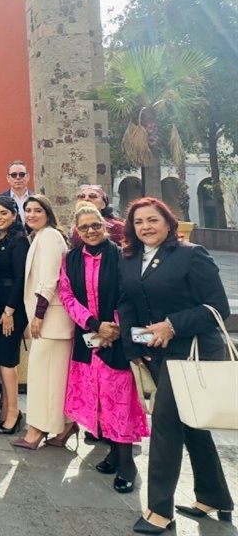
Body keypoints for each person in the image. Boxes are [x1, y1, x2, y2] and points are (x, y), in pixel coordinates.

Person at [117, 197, 233, 534]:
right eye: (139, 222)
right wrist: (132, 347)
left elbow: (217, 308)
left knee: (166, 426)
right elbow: (126, 302)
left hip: (192, 350)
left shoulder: (190, 255)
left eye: (153, 220)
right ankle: (215, 497)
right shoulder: (131, 258)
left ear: (169, 223)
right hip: (155, 352)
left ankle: (159, 511)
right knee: (192, 427)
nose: (146, 227)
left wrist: (173, 325)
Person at [59, 203, 148, 494]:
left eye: (95, 225)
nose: (90, 231)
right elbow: (67, 294)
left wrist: (115, 326)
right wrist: (94, 323)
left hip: (118, 340)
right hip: (90, 338)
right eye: (83, 227)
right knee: (97, 400)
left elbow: (130, 293)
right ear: (77, 231)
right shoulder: (70, 259)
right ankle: (111, 452)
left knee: (119, 402)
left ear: (105, 225)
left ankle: (127, 464)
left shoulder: (123, 256)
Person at [13, 195, 73, 450]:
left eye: (38, 210)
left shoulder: (49, 237)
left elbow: (50, 279)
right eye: (28, 210)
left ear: (48, 213)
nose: (32, 214)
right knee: (53, 378)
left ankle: (37, 429)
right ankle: (65, 425)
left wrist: (38, 314)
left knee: (42, 377)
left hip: (51, 319)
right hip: (49, 320)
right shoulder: (41, 236)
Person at [0, 195, 29, 434]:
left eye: (3, 213)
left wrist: (10, 310)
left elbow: (21, 278)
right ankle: (5, 405)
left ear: (14, 215)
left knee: (7, 360)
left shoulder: (19, 240)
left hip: (10, 308)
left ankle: (14, 412)